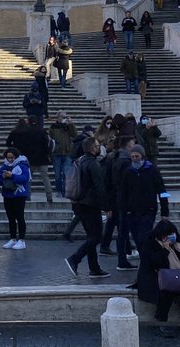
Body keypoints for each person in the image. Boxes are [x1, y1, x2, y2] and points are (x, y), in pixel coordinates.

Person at [137, 219, 180, 337]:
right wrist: (165, 250)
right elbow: (152, 263)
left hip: (179, 274)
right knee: (166, 291)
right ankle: (161, 319)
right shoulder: (150, 243)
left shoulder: (178, 244)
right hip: (156, 275)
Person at [118, 145, 170, 273]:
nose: (135, 159)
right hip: (132, 212)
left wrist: (165, 211)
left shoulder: (152, 170)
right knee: (137, 239)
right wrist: (123, 210)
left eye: (137, 156)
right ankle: (146, 263)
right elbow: (123, 192)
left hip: (148, 210)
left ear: (142, 156)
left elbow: (162, 191)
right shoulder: (128, 171)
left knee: (143, 238)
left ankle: (147, 264)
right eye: (133, 157)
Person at [64, 138, 112, 278]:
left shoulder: (80, 160)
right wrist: (107, 207)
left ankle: (94, 268)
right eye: (97, 146)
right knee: (97, 237)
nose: (99, 148)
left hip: (78, 203)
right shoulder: (93, 164)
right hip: (90, 204)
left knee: (91, 236)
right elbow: (100, 187)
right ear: (92, 148)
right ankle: (74, 259)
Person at [0, 148, 30, 249]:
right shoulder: (4, 166)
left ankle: (22, 240)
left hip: (19, 195)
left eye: (12, 158)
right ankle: (12, 238)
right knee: (11, 218)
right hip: (7, 195)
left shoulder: (22, 165)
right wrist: (3, 176)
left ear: (16, 157)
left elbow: (25, 178)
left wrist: (12, 175)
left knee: (20, 217)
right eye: (8, 158)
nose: (10, 160)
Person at [50, 114, 78, 196]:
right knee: (57, 174)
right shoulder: (53, 127)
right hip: (56, 153)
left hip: (67, 153)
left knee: (66, 173)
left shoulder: (68, 127)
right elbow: (50, 138)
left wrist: (71, 124)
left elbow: (74, 135)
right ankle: (59, 190)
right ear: (58, 118)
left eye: (65, 117)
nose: (64, 118)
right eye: (62, 117)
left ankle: (66, 190)